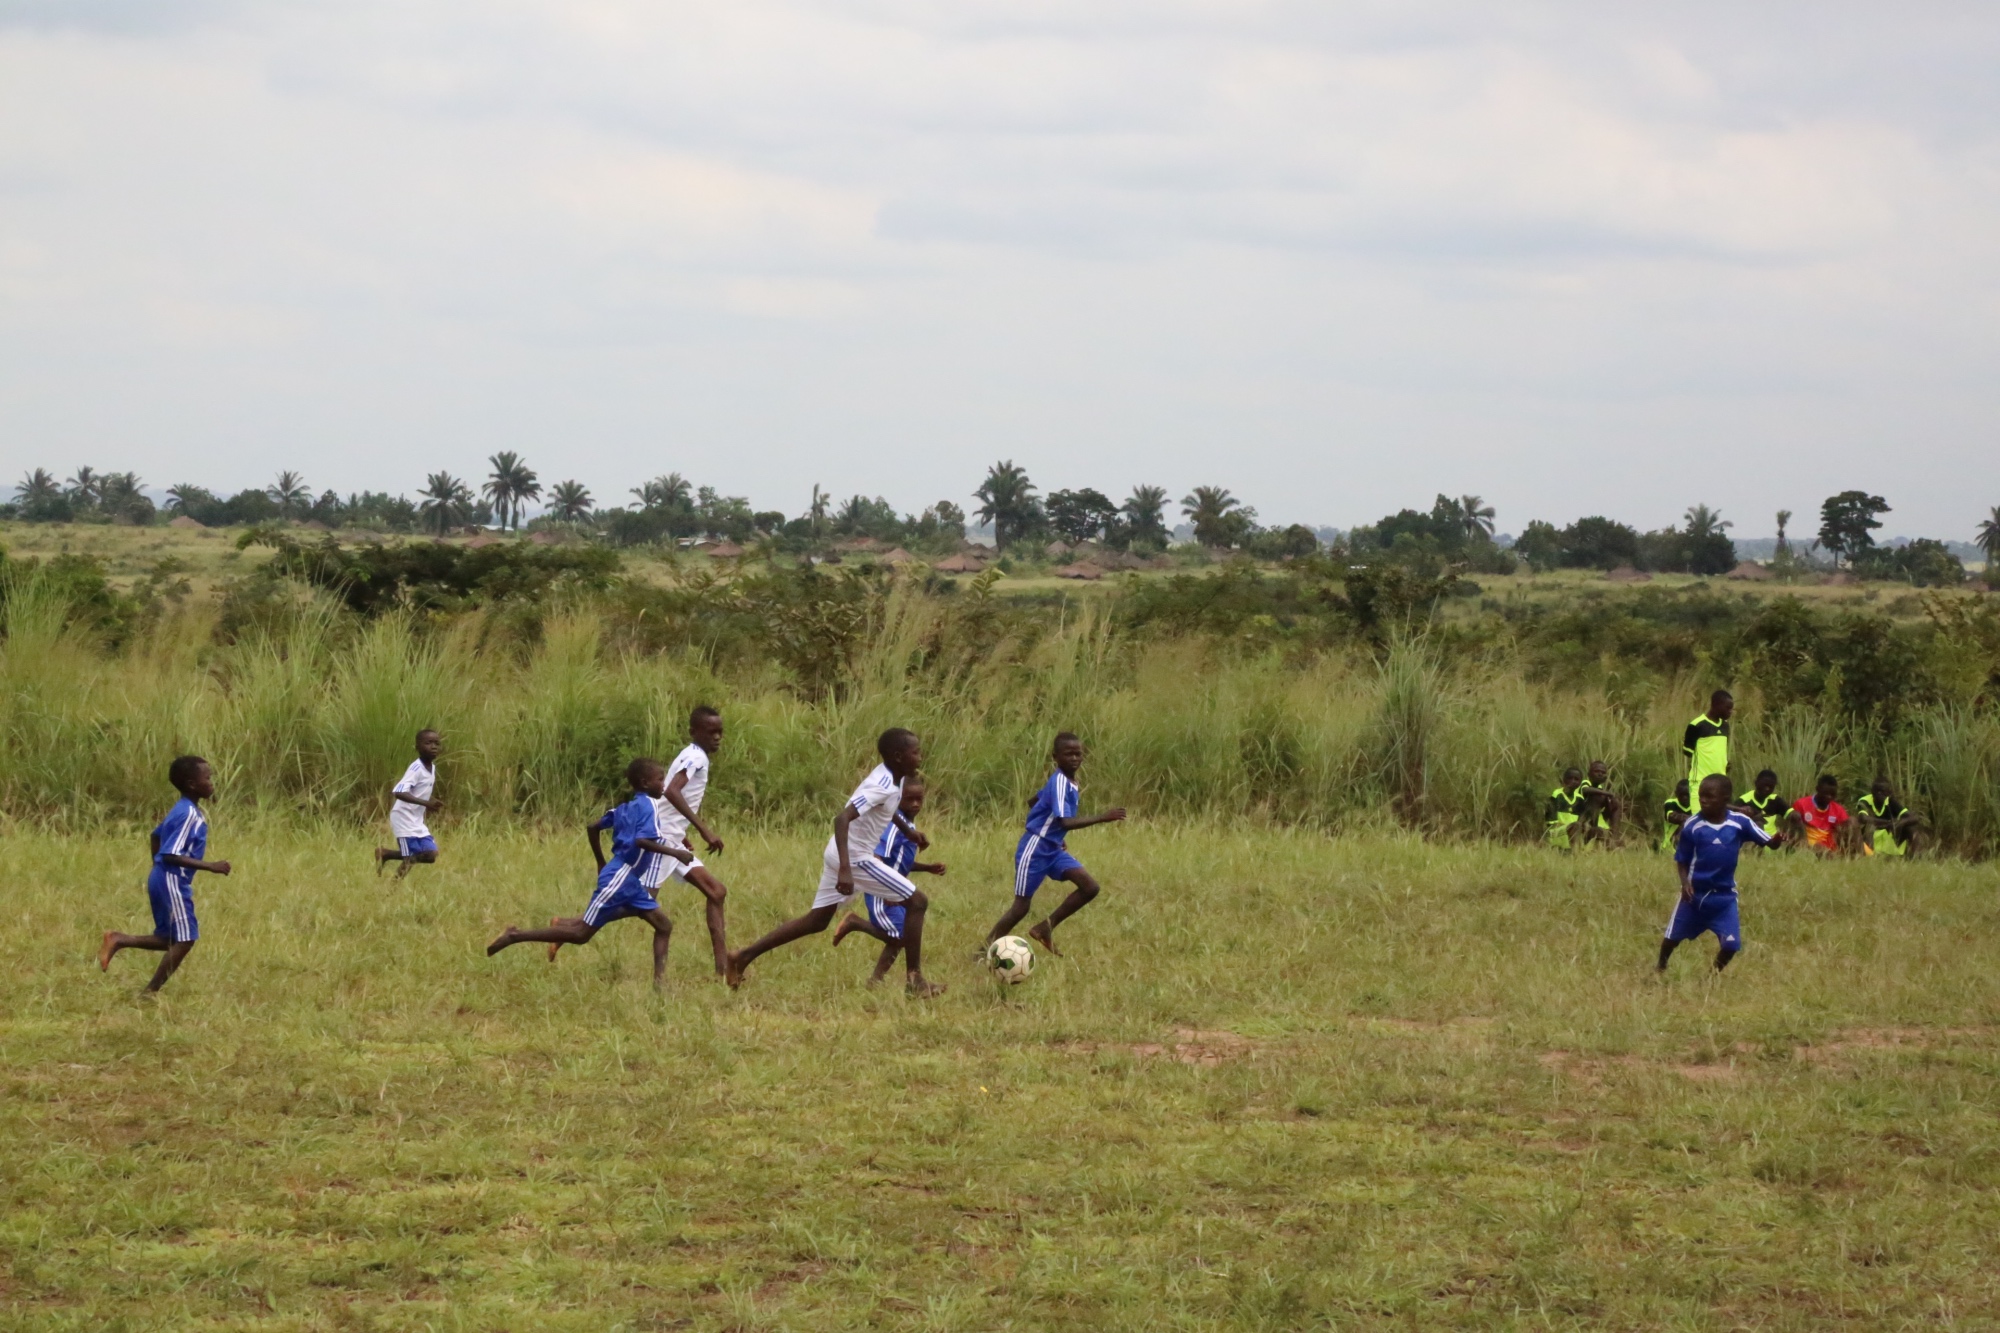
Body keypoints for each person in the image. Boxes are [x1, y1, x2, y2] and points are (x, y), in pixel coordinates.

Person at [726, 728, 943, 997]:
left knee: (817, 921)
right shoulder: (883, 784)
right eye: (916, 752)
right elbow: (842, 819)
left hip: (843, 853)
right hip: (854, 857)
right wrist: (845, 869)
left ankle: (742, 956)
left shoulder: (895, 778)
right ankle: (914, 981)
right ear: (898, 756)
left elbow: (885, 807)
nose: (920, 757)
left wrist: (908, 830)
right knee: (918, 901)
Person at [550, 707, 732, 975]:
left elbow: (667, 800)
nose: (717, 737)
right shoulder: (695, 758)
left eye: (720, 732)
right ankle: (568, 927)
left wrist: (682, 834)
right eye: (711, 732)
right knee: (641, 904)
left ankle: (724, 969)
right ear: (695, 732)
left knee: (716, 891)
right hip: (662, 841)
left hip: (673, 839)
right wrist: (705, 831)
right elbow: (671, 792)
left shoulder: (694, 755)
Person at [486, 758, 686, 985]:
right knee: (581, 934)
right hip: (621, 878)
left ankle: (659, 986)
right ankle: (514, 935)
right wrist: (676, 853)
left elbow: (593, 827)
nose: (663, 784)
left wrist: (601, 861)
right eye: (660, 779)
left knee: (664, 925)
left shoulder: (624, 808)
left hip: (627, 879)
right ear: (645, 782)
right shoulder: (649, 805)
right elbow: (642, 840)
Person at [985, 732, 1127, 957]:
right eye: (1068, 754)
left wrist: (1054, 834)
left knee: (1090, 887)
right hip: (1035, 849)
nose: (1074, 758)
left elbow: (1035, 801)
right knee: (1021, 907)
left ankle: (1044, 928)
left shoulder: (1067, 782)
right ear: (1055, 757)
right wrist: (1103, 817)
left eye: (1078, 754)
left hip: (1053, 848)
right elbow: (1065, 820)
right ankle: (984, 950)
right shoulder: (1060, 781)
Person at [99, 755, 232, 992]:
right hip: (172, 880)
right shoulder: (189, 814)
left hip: (163, 877)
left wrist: (156, 869)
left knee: (170, 938)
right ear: (192, 784)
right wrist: (210, 866)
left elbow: (155, 836)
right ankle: (149, 992)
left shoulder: (181, 809)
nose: (212, 782)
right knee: (185, 939)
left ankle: (119, 939)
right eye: (208, 778)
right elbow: (171, 853)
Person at [1658, 774, 1783, 974]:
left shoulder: (1740, 823)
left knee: (1731, 945)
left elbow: (1769, 842)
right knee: (1672, 938)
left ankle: (1712, 975)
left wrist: (1777, 840)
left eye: (1709, 796)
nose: (1703, 801)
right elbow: (1681, 860)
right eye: (1700, 796)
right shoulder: (1692, 825)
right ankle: (1660, 967)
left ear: (1726, 798)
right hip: (1694, 896)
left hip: (1724, 898)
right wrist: (1685, 884)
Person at [833, 776, 946, 985]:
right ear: (897, 799)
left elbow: (898, 862)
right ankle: (855, 922)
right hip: (882, 893)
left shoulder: (907, 824)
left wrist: (927, 868)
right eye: (909, 799)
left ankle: (874, 982)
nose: (915, 804)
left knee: (902, 934)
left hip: (897, 892)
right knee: (902, 936)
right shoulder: (893, 828)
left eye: (919, 799)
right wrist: (887, 890)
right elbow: (876, 857)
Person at [375, 729, 443, 878]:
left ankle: (385, 853)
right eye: (428, 743)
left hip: (416, 819)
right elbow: (398, 792)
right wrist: (425, 803)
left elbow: (418, 790)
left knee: (431, 855)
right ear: (417, 747)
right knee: (410, 857)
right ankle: (391, 890)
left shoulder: (432, 768)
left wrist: (430, 802)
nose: (433, 746)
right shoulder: (416, 768)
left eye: (437, 743)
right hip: (403, 817)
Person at [1856, 776, 1924, 858]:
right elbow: (1863, 818)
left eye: (1885, 792)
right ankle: (1870, 856)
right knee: (1869, 827)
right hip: (1870, 836)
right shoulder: (1864, 801)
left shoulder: (1891, 802)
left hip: (1888, 835)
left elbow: (1914, 818)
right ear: (1874, 792)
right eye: (1878, 791)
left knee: (1911, 828)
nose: (1881, 794)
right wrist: (1888, 823)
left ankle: (1915, 857)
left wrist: (1900, 822)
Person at [1787, 774, 1850, 855]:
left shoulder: (1838, 809)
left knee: (1852, 822)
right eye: (1826, 794)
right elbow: (1793, 829)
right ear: (1817, 789)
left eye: (1832, 795)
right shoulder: (1801, 804)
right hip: (1807, 844)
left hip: (1830, 846)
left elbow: (1846, 830)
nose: (1829, 797)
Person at [1684, 690, 1733, 793]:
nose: (1730, 712)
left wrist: (1723, 763)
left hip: (1720, 783)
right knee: (1699, 810)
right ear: (1716, 705)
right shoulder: (1697, 725)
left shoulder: (1725, 726)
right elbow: (1688, 752)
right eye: (1727, 708)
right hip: (1700, 783)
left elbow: (1718, 749)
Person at [1732, 769, 1786, 842]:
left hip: (1773, 841)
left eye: (1771, 787)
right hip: (1752, 842)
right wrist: (1751, 819)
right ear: (1756, 783)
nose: (1767, 789)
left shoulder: (1776, 800)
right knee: (1758, 824)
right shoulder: (1743, 801)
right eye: (1764, 785)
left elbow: (1791, 814)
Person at [1545, 767, 1588, 850]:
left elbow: (1582, 819)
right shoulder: (1557, 795)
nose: (1573, 781)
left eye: (1576, 779)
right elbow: (1551, 823)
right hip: (1556, 832)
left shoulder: (1580, 799)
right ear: (1564, 780)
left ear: (1580, 783)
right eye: (1570, 778)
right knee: (1576, 825)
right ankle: (1574, 851)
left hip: (1574, 831)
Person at [1579, 759, 1621, 843]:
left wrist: (1611, 801)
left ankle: (1614, 835)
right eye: (1596, 771)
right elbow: (1585, 790)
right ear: (1589, 774)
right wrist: (1607, 794)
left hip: (1597, 818)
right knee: (1597, 796)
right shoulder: (1585, 782)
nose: (1600, 774)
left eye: (1603, 772)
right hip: (1582, 819)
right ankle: (1591, 827)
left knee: (1615, 803)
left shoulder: (1600, 789)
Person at [1659, 779, 1692, 853]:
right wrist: (1693, 818)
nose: (1685, 797)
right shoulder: (1670, 803)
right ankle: (1677, 845)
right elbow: (1671, 817)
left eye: (1687, 794)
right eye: (1682, 795)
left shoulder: (1695, 805)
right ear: (1676, 794)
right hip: (1670, 845)